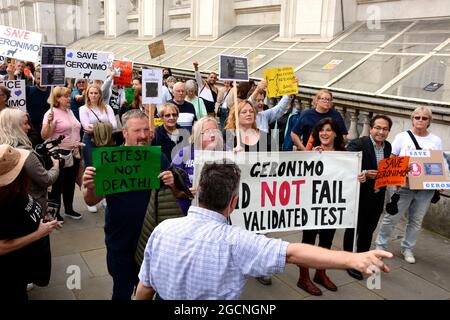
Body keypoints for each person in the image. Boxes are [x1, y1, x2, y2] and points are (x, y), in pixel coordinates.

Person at [135, 162, 392, 300]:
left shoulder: (163, 229)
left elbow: (144, 289)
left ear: (199, 190)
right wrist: (353, 258)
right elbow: (292, 253)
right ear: (233, 202)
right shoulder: (236, 241)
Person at [82, 109, 178, 300]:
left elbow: (176, 195)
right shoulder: (110, 161)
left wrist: (173, 182)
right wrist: (90, 186)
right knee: (122, 291)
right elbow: (90, 200)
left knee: (152, 291)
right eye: (137, 131)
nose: (143, 136)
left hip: (152, 241)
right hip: (120, 241)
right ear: (125, 133)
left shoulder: (158, 158)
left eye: (146, 130)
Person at [295, 118, 366, 296]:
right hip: (311, 206)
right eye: (321, 130)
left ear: (336, 133)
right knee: (308, 243)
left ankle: (321, 273)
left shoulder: (346, 154)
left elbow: (351, 177)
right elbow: (297, 174)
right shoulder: (311, 152)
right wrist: (310, 156)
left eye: (328, 130)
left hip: (332, 208)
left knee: (326, 241)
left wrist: (360, 178)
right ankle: (303, 278)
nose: (324, 134)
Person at [375, 106, 442, 264]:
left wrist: (439, 181)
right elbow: (392, 159)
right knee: (391, 217)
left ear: (429, 121)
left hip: (425, 189)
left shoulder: (436, 140)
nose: (420, 120)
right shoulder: (402, 137)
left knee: (416, 221)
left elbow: (437, 163)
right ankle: (380, 245)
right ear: (412, 119)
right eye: (417, 117)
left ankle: (407, 248)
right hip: (402, 186)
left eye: (424, 118)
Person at [0, 144, 62, 300]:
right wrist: (38, 233)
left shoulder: (15, 189)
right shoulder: (3, 204)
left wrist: (41, 217)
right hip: (9, 275)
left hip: (23, 268)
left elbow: (24, 213)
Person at [343, 115, 393, 280]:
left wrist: (399, 172)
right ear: (371, 128)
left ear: (388, 131)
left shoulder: (388, 147)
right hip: (359, 196)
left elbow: (387, 171)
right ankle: (349, 261)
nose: (381, 132)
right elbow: (345, 164)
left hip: (377, 197)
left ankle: (363, 259)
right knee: (353, 230)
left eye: (384, 129)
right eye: (377, 128)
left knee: (368, 231)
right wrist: (364, 173)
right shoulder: (359, 143)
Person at [0, 108, 60, 213]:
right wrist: (56, 166)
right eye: (25, 123)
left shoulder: (3, 150)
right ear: (14, 126)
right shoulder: (25, 154)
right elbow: (46, 180)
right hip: (31, 207)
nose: (29, 127)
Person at [41, 86, 82, 221]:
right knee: (57, 185)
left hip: (73, 153)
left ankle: (69, 209)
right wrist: (48, 123)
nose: (68, 98)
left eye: (69, 95)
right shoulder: (51, 113)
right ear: (57, 98)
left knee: (70, 183)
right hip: (58, 155)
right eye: (65, 96)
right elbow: (44, 135)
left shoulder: (69, 111)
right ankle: (54, 213)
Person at [171, 116, 224, 214]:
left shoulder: (225, 151)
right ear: (198, 135)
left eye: (215, 131)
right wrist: (184, 193)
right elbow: (172, 181)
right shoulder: (184, 153)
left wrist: (240, 155)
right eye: (207, 131)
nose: (212, 135)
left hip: (216, 211)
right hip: (188, 210)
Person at [79, 84, 117, 168]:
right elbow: (86, 127)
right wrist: (106, 127)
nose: (93, 95)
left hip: (106, 139)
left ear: (100, 94)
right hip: (90, 140)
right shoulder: (83, 108)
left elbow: (114, 125)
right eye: (91, 93)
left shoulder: (107, 107)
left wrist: (96, 128)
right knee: (91, 166)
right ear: (88, 95)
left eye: (96, 93)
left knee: (105, 166)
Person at [26, 69, 52, 144]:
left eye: (43, 78)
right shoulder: (29, 90)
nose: (41, 81)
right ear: (35, 79)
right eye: (38, 78)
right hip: (33, 130)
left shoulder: (52, 91)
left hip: (48, 128)